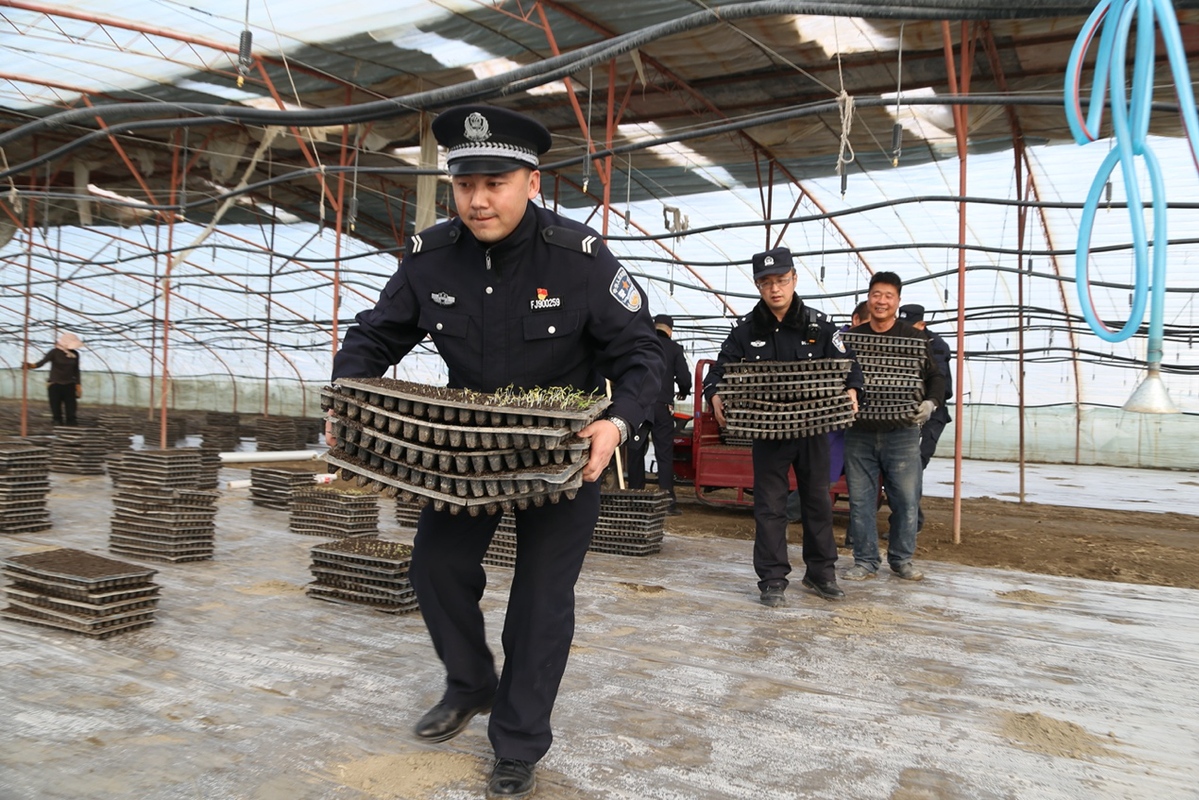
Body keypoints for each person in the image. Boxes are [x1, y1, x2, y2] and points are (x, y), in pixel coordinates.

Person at [328, 105, 663, 799]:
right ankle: (470, 681)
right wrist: (345, 400)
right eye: (463, 183)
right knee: (435, 569)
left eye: (495, 181)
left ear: (531, 182)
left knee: (539, 601)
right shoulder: (431, 256)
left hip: (564, 453)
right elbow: (375, 335)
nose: (477, 198)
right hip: (470, 452)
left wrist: (619, 422)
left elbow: (642, 352)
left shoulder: (580, 258)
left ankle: (516, 741)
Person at [702, 247, 862, 607]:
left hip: (813, 430)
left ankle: (821, 574)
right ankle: (772, 579)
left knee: (817, 501)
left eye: (781, 280)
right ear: (758, 285)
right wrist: (714, 393)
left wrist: (853, 387)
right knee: (770, 506)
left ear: (794, 279)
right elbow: (719, 369)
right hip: (769, 433)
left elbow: (849, 363)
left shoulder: (819, 325)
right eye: (766, 282)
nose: (775, 289)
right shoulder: (745, 330)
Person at [841, 274, 947, 583]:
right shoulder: (852, 339)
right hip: (858, 432)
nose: (881, 301)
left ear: (897, 301)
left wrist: (930, 403)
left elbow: (936, 377)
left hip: (901, 433)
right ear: (869, 299)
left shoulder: (914, 339)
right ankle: (865, 560)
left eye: (888, 295)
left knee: (905, 500)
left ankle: (902, 559)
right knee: (860, 501)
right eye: (876, 295)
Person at [785, 300, 866, 524]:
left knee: (859, 484)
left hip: (860, 428)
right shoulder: (834, 338)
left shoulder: (869, 343)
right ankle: (787, 515)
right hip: (831, 425)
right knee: (821, 480)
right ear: (856, 320)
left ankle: (853, 535)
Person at [627, 313, 691, 514]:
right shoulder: (674, 349)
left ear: (653, 327)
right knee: (664, 454)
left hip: (638, 406)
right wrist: (683, 391)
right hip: (662, 407)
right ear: (670, 330)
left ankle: (635, 499)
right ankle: (667, 502)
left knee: (636, 452)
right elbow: (684, 377)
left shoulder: (640, 346)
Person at [24, 332, 83, 426]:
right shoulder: (54, 352)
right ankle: (57, 421)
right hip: (55, 383)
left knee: (71, 406)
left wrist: (78, 385)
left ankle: (71, 422)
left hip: (70, 384)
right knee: (55, 405)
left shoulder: (75, 354)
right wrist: (31, 365)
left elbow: (76, 370)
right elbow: (42, 362)